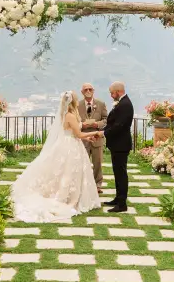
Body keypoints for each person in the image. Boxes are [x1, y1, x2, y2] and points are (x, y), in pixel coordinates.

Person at [12, 90, 104, 222]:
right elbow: (78, 134)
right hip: (71, 146)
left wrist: (87, 138)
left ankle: (69, 193)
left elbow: (73, 133)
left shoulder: (66, 114)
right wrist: (95, 133)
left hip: (70, 142)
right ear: (73, 101)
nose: (79, 101)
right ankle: (68, 197)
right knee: (69, 172)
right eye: (77, 99)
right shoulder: (70, 116)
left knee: (67, 172)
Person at [102, 81, 135, 213]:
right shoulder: (122, 103)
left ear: (118, 91)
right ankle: (118, 198)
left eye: (112, 93)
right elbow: (113, 123)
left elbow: (119, 126)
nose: (111, 96)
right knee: (117, 173)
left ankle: (122, 204)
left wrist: (103, 133)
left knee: (121, 174)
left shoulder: (125, 104)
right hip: (117, 145)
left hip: (121, 145)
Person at [78, 82, 109, 194]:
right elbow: (75, 120)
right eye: (85, 89)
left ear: (93, 91)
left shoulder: (101, 104)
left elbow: (106, 119)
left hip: (97, 138)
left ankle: (97, 185)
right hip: (83, 139)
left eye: (90, 89)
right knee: (82, 163)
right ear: (82, 92)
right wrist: (82, 125)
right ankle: (83, 184)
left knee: (97, 163)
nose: (88, 91)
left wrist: (98, 124)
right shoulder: (77, 105)